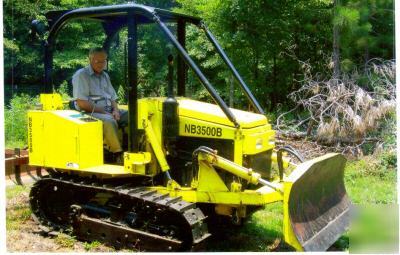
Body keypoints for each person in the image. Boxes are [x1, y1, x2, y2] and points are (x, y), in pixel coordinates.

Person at [72, 47, 127, 163]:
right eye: (98, 61)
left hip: (108, 110)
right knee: (109, 121)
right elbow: (81, 103)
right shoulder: (81, 75)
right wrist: (106, 113)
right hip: (89, 112)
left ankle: (133, 148)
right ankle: (118, 154)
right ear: (90, 60)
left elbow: (113, 97)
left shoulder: (105, 76)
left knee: (134, 116)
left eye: (104, 61)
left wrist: (116, 111)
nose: (101, 64)